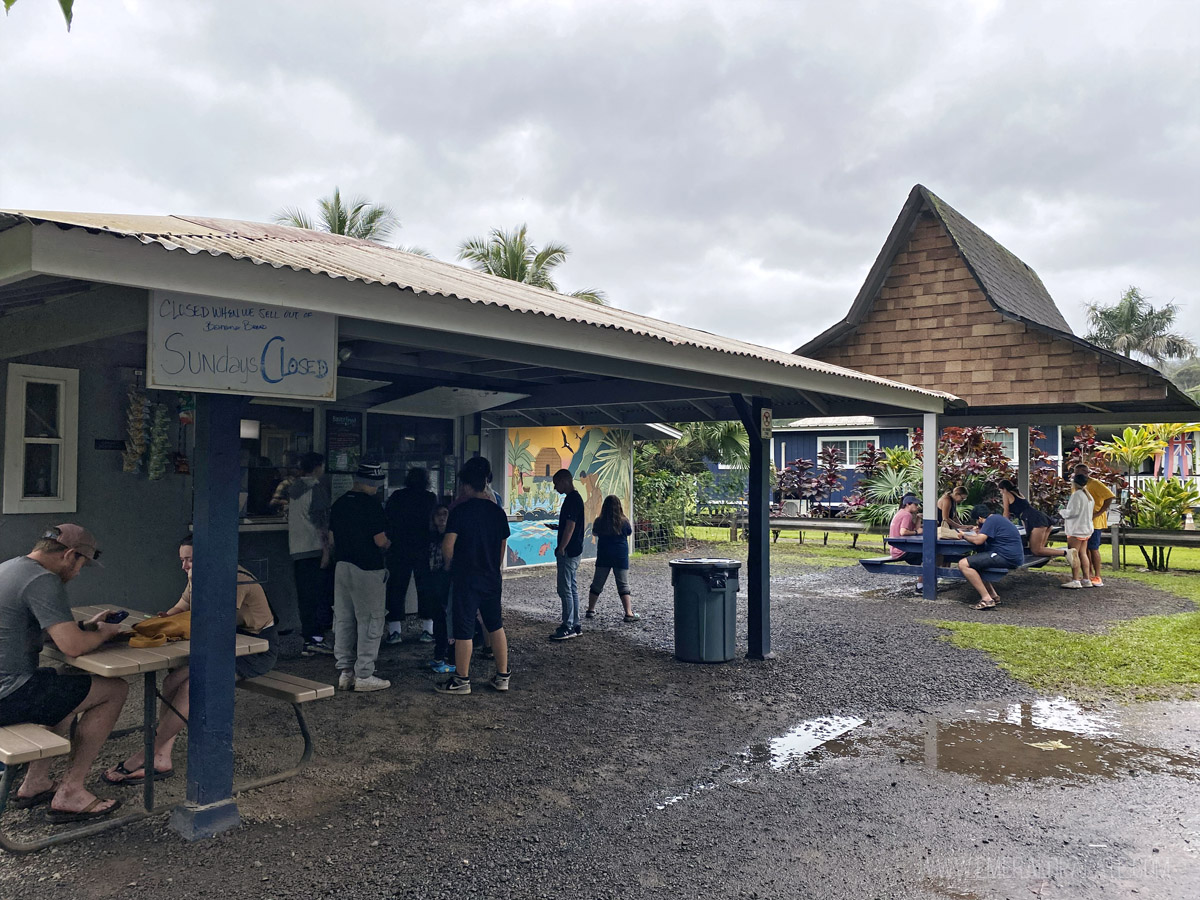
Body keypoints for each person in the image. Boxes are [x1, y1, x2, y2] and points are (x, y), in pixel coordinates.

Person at [104, 535, 278, 786]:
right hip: (223, 644)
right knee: (172, 680)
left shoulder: (234, 578)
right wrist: (163, 619)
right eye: (182, 560)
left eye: (190, 560)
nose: (184, 566)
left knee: (192, 687)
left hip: (253, 648)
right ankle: (162, 756)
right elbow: (183, 605)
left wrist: (176, 627)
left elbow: (219, 622)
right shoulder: (196, 576)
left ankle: (148, 753)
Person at [0, 525, 128, 823]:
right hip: (8, 694)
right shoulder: (42, 580)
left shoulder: (11, 567)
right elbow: (72, 647)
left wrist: (86, 627)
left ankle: (36, 783)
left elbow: (44, 632)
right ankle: (71, 791)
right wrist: (104, 634)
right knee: (114, 689)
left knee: (65, 684)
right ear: (70, 555)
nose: (79, 572)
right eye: (82, 563)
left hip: (6, 688)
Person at [436, 457, 511, 695]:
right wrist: (494, 567)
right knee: (495, 625)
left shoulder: (460, 511)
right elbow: (502, 546)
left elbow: (448, 545)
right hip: (491, 577)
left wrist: (449, 565)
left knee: (464, 628)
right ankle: (502, 676)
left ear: (467, 485)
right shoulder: (497, 512)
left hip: (466, 577)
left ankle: (461, 680)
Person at [329, 462, 392, 692]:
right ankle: (364, 673)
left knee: (344, 618)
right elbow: (380, 540)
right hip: (367, 568)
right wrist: (389, 545)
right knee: (370, 620)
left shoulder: (340, 503)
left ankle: (345, 672)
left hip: (342, 566)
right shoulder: (372, 506)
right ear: (372, 482)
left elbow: (331, 539)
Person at [383, 467, 439, 645]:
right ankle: (427, 630)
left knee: (396, 588)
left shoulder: (397, 497)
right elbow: (433, 522)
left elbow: (388, 520)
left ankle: (395, 632)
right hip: (423, 548)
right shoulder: (430, 498)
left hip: (399, 549)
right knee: (425, 588)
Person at [287, 452, 333, 655]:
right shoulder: (316, 489)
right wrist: (326, 551)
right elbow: (321, 522)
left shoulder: (293, 488)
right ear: (317, 467)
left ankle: (308, 639)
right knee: (319, 595)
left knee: (304, 596)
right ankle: (317, 638)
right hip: (313, 547)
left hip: (297, 548)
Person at [955, 504, 1025, 610]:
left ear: (980, 518)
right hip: (1012, 556)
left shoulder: (990, 521)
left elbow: (978, 541)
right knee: (977, 564)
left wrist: (964, 535)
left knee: (963, 564)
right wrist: (979, 532)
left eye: (976, 521)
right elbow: (983, 538)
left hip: (1005, 556)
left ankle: (986, 599)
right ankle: (993, 596)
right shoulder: (997, 518)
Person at [585, 495, 640, 622]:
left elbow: (594, 533)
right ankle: (628, 613)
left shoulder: (599, 521)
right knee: (623, 584)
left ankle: (590, 610)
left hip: (604, 554)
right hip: (620, 555)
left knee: (597, 583)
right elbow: (629, 532)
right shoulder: (624, 521)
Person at [549, 468, 586, 641]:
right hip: (575, 549)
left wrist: (561, 547)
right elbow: (571, 525)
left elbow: (571, 526)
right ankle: (575, 623)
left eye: (556, 483)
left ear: (565, 481)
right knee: (572, 587)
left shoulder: (572, 500)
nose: (555, 487)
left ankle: (568, 625)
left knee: (565, 588)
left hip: (569, 550)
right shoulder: (576, 499)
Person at [998, 480, 1068, 563]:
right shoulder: (1018, 493)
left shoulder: (1006, 494)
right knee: (1040, 550)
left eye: (1000, 490)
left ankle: (1066, 553)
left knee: (1036, 550)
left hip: (1036, 521)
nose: (1000, 492)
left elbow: (1006, 513)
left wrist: (1001, 526)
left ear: (1004, 489)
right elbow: (1023, 515)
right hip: (1041, 518)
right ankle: (1065, 553)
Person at [421, 505, 454, 673]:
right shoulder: (430, 537)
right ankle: (439, 655)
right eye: (438, 515)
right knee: (438, 619)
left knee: (449, 619)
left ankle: (450, 657)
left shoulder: (452, 537)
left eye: (445, 514)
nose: (442, 518)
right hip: (434, 581)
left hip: (447, 580)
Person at [1074, 463, 1115, 587]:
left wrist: (1099, 512)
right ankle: (1088, 574)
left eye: (1083, 471)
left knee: (1093, 547)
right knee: (1084, 549)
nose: (1081, 473)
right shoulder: (1076, 485)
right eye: (1078, 471)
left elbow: (1110, 497)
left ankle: (1097, 576)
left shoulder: (1095, 483)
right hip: (1082, 521)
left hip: (1094, 521)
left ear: (1088, 473)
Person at [1060, 472, 1096, 590]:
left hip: (1076, 529)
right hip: (1086, 529)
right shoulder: (1088, 495)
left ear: (1074, 483)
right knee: (1083, 554)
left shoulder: (1076, 495)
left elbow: (1073, 512)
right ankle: (1086, 579)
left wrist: (1062, 512)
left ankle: (1075, 579)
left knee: (1073, 553)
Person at [888, 494, 925, 594]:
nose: (917, 507)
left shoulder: (901, 512)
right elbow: (903, 532)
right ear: (908, 504)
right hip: (901, 550)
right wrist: (917, 533)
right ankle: (921, 586)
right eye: (915, 505)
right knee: (929, 556)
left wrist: (918, 518)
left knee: (924, 554)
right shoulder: (906, 515)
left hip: (896, 548)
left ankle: (922, 584)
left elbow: (914, 529)